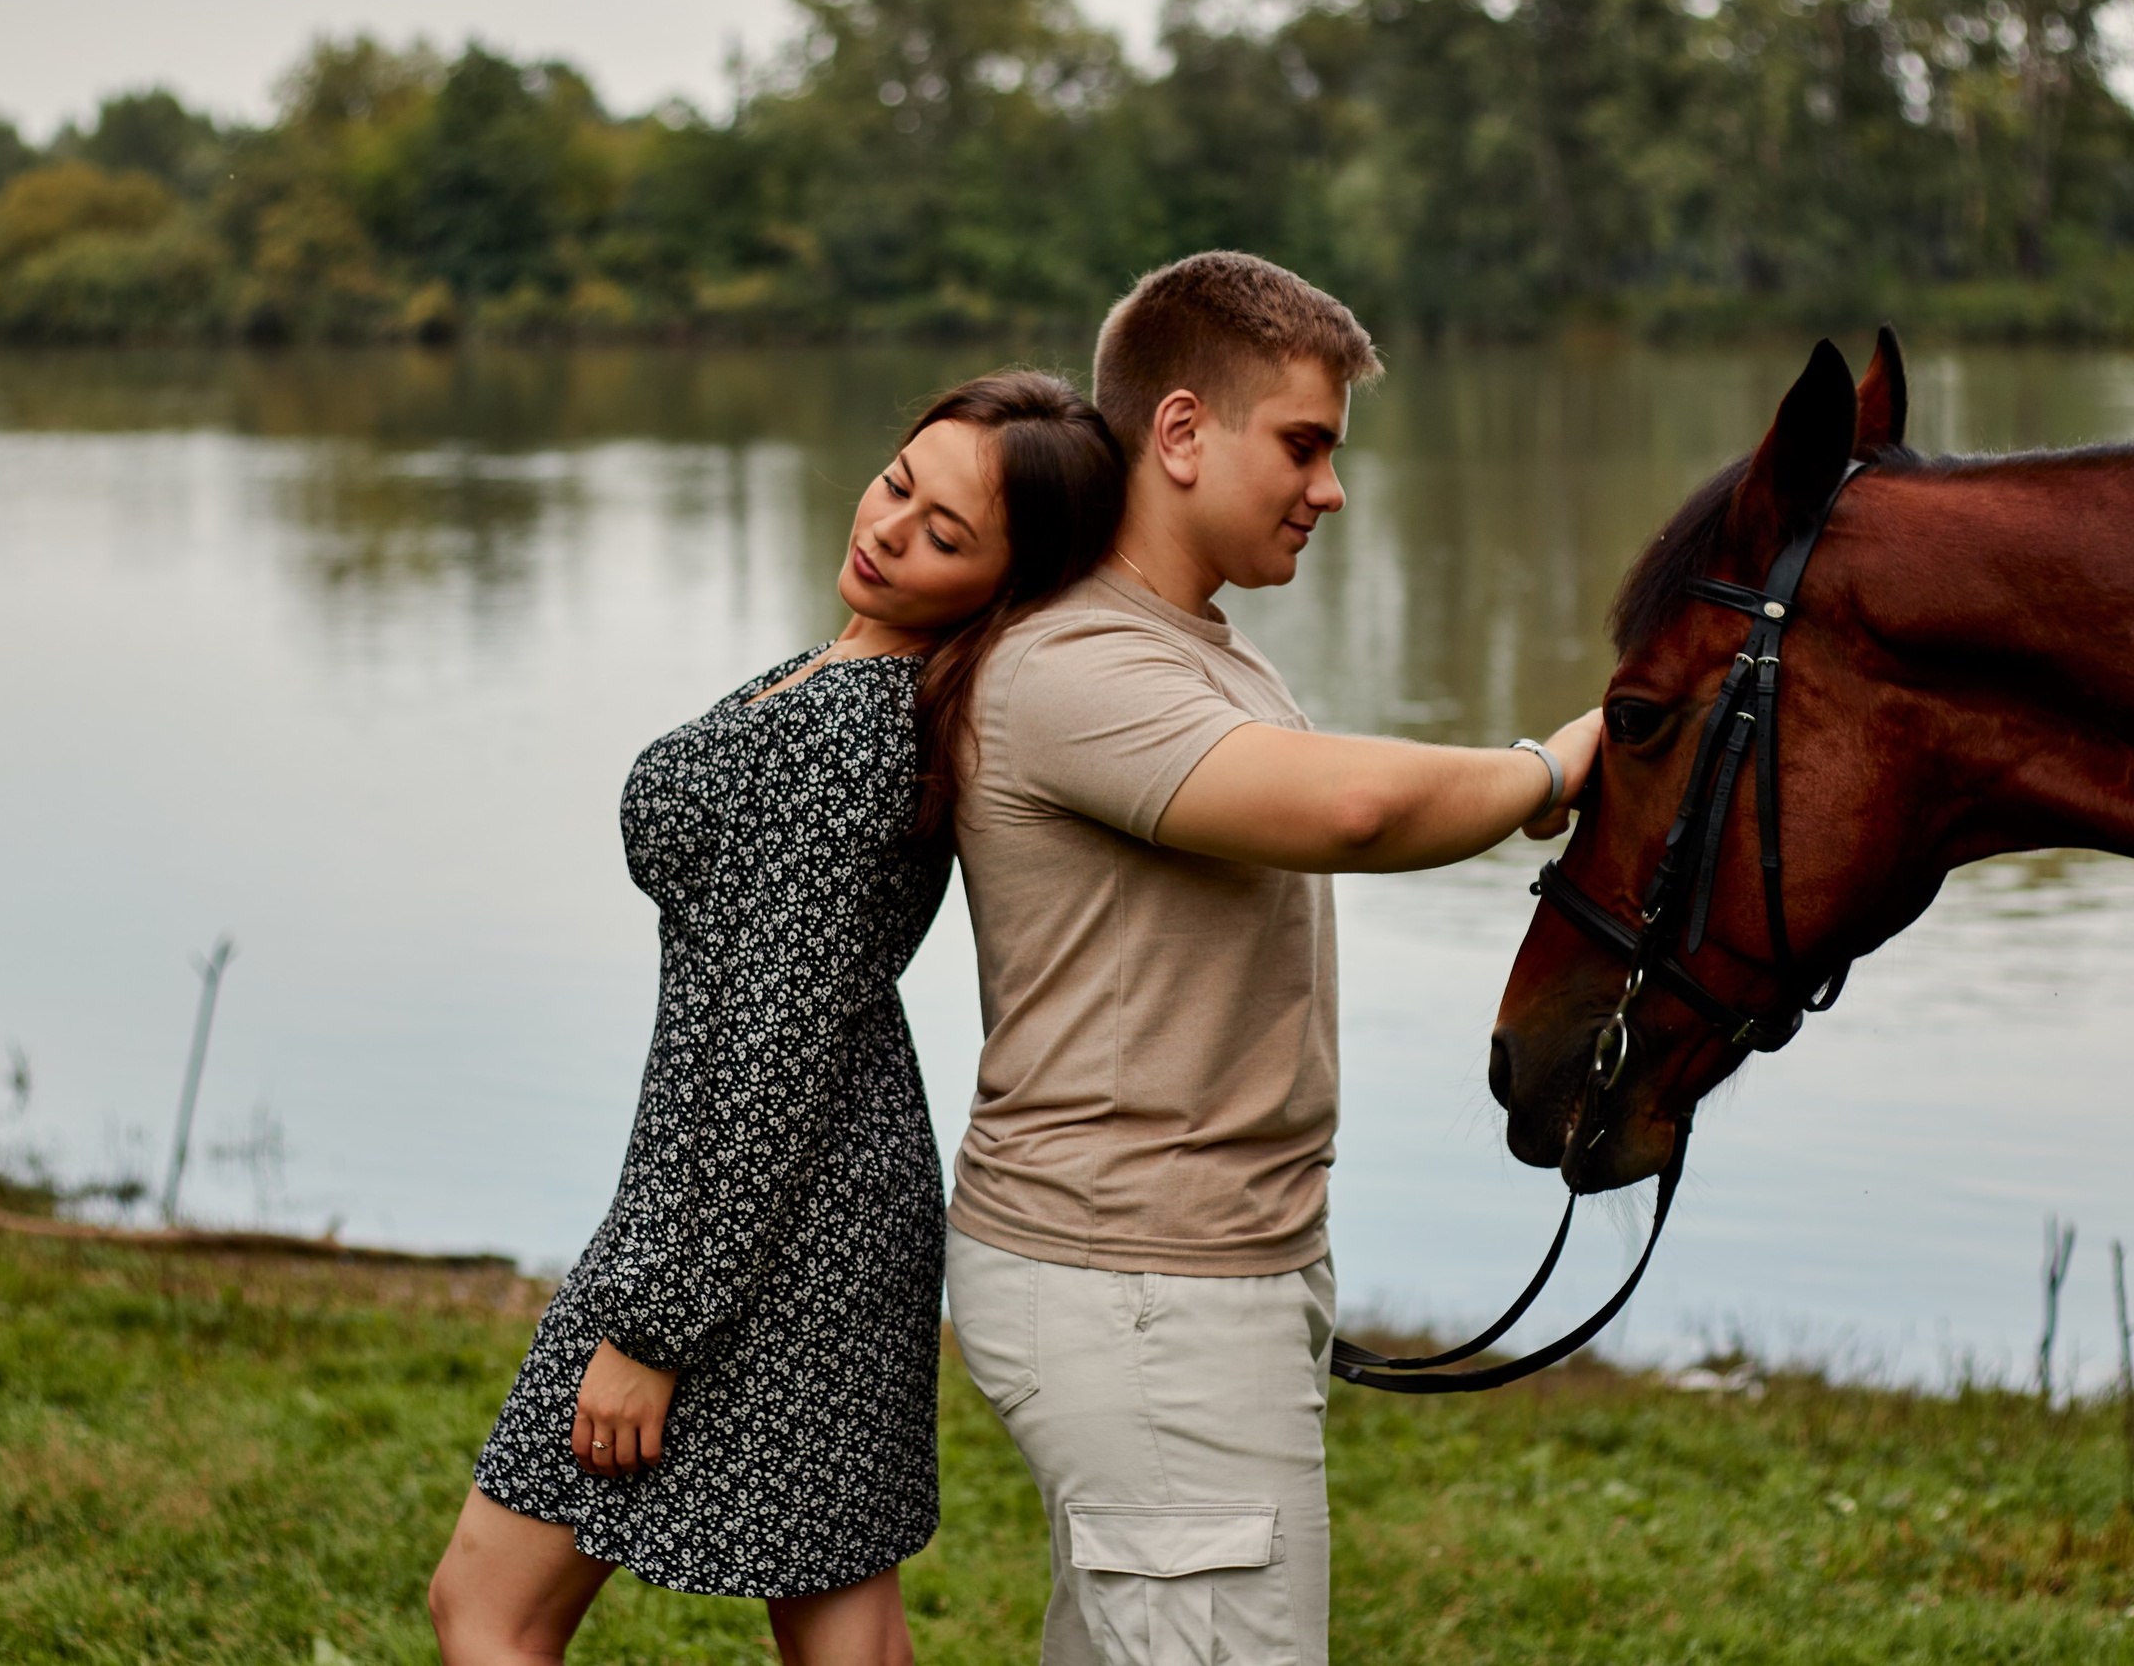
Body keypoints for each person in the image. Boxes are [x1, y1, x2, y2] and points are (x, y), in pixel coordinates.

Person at [943, 251, 1602, 1665]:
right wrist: (1557, 766)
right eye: (1303, 445)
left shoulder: (1202, 651)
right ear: (1182, 432)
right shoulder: (1073, 665)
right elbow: (1355, 810)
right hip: (1140, 1284)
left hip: (1188, 1274)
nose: (1331, 489)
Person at [428, 371, 1127, 1666]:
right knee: (844, 1633)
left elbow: (773, 1057)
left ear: (1007, 585)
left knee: (489, 1607)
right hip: (814, 1200)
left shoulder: (849, 742)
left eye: (944, 535)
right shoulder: (863, 674)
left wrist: (652, 1326)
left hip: (768, 1212)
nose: (889, 528)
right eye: (899, 482)